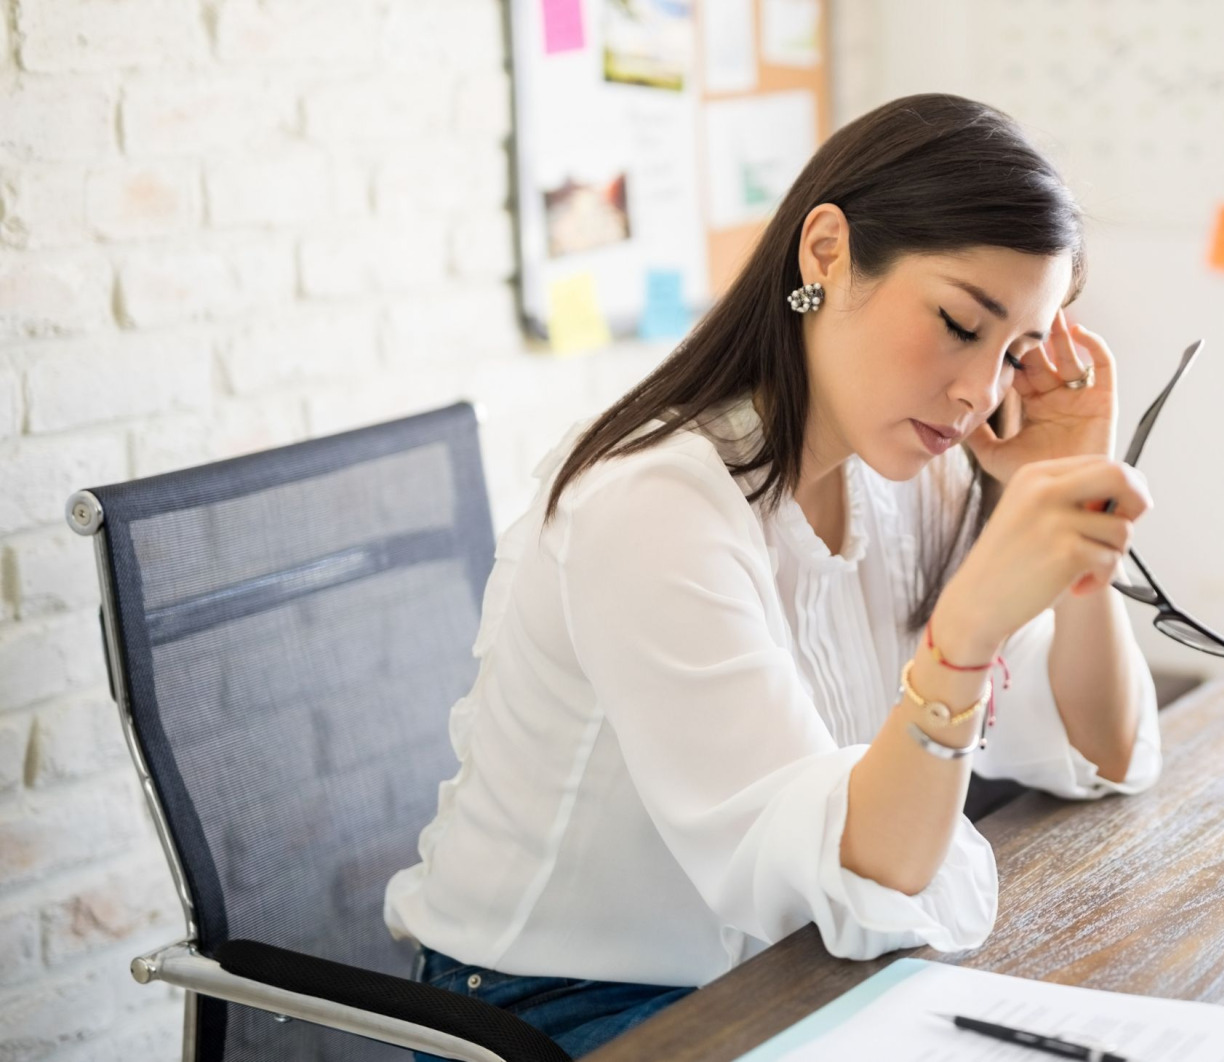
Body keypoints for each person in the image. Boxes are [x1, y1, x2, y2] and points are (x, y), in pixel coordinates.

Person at [384, 92, 1163, 1060]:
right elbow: (862, 877)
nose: (980, 393)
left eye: (1014, 355)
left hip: (778, 973)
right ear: (825, 255)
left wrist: (1068, 494)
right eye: (961, 324)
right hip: (552, 1014)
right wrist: (959, 641)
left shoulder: (904, 472)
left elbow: (1101, 749)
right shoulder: (653, 504)